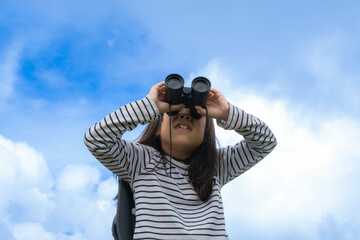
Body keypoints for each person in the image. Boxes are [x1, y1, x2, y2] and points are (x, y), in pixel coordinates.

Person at [84, 81, 277, 239]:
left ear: (207, 132)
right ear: (157, 128)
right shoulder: (140, 160)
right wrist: (149, 106)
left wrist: (226, 112)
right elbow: (96, 139)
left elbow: (265, 142)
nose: (184, 114)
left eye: (196, 114)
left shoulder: (217, 167)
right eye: (173, 112)